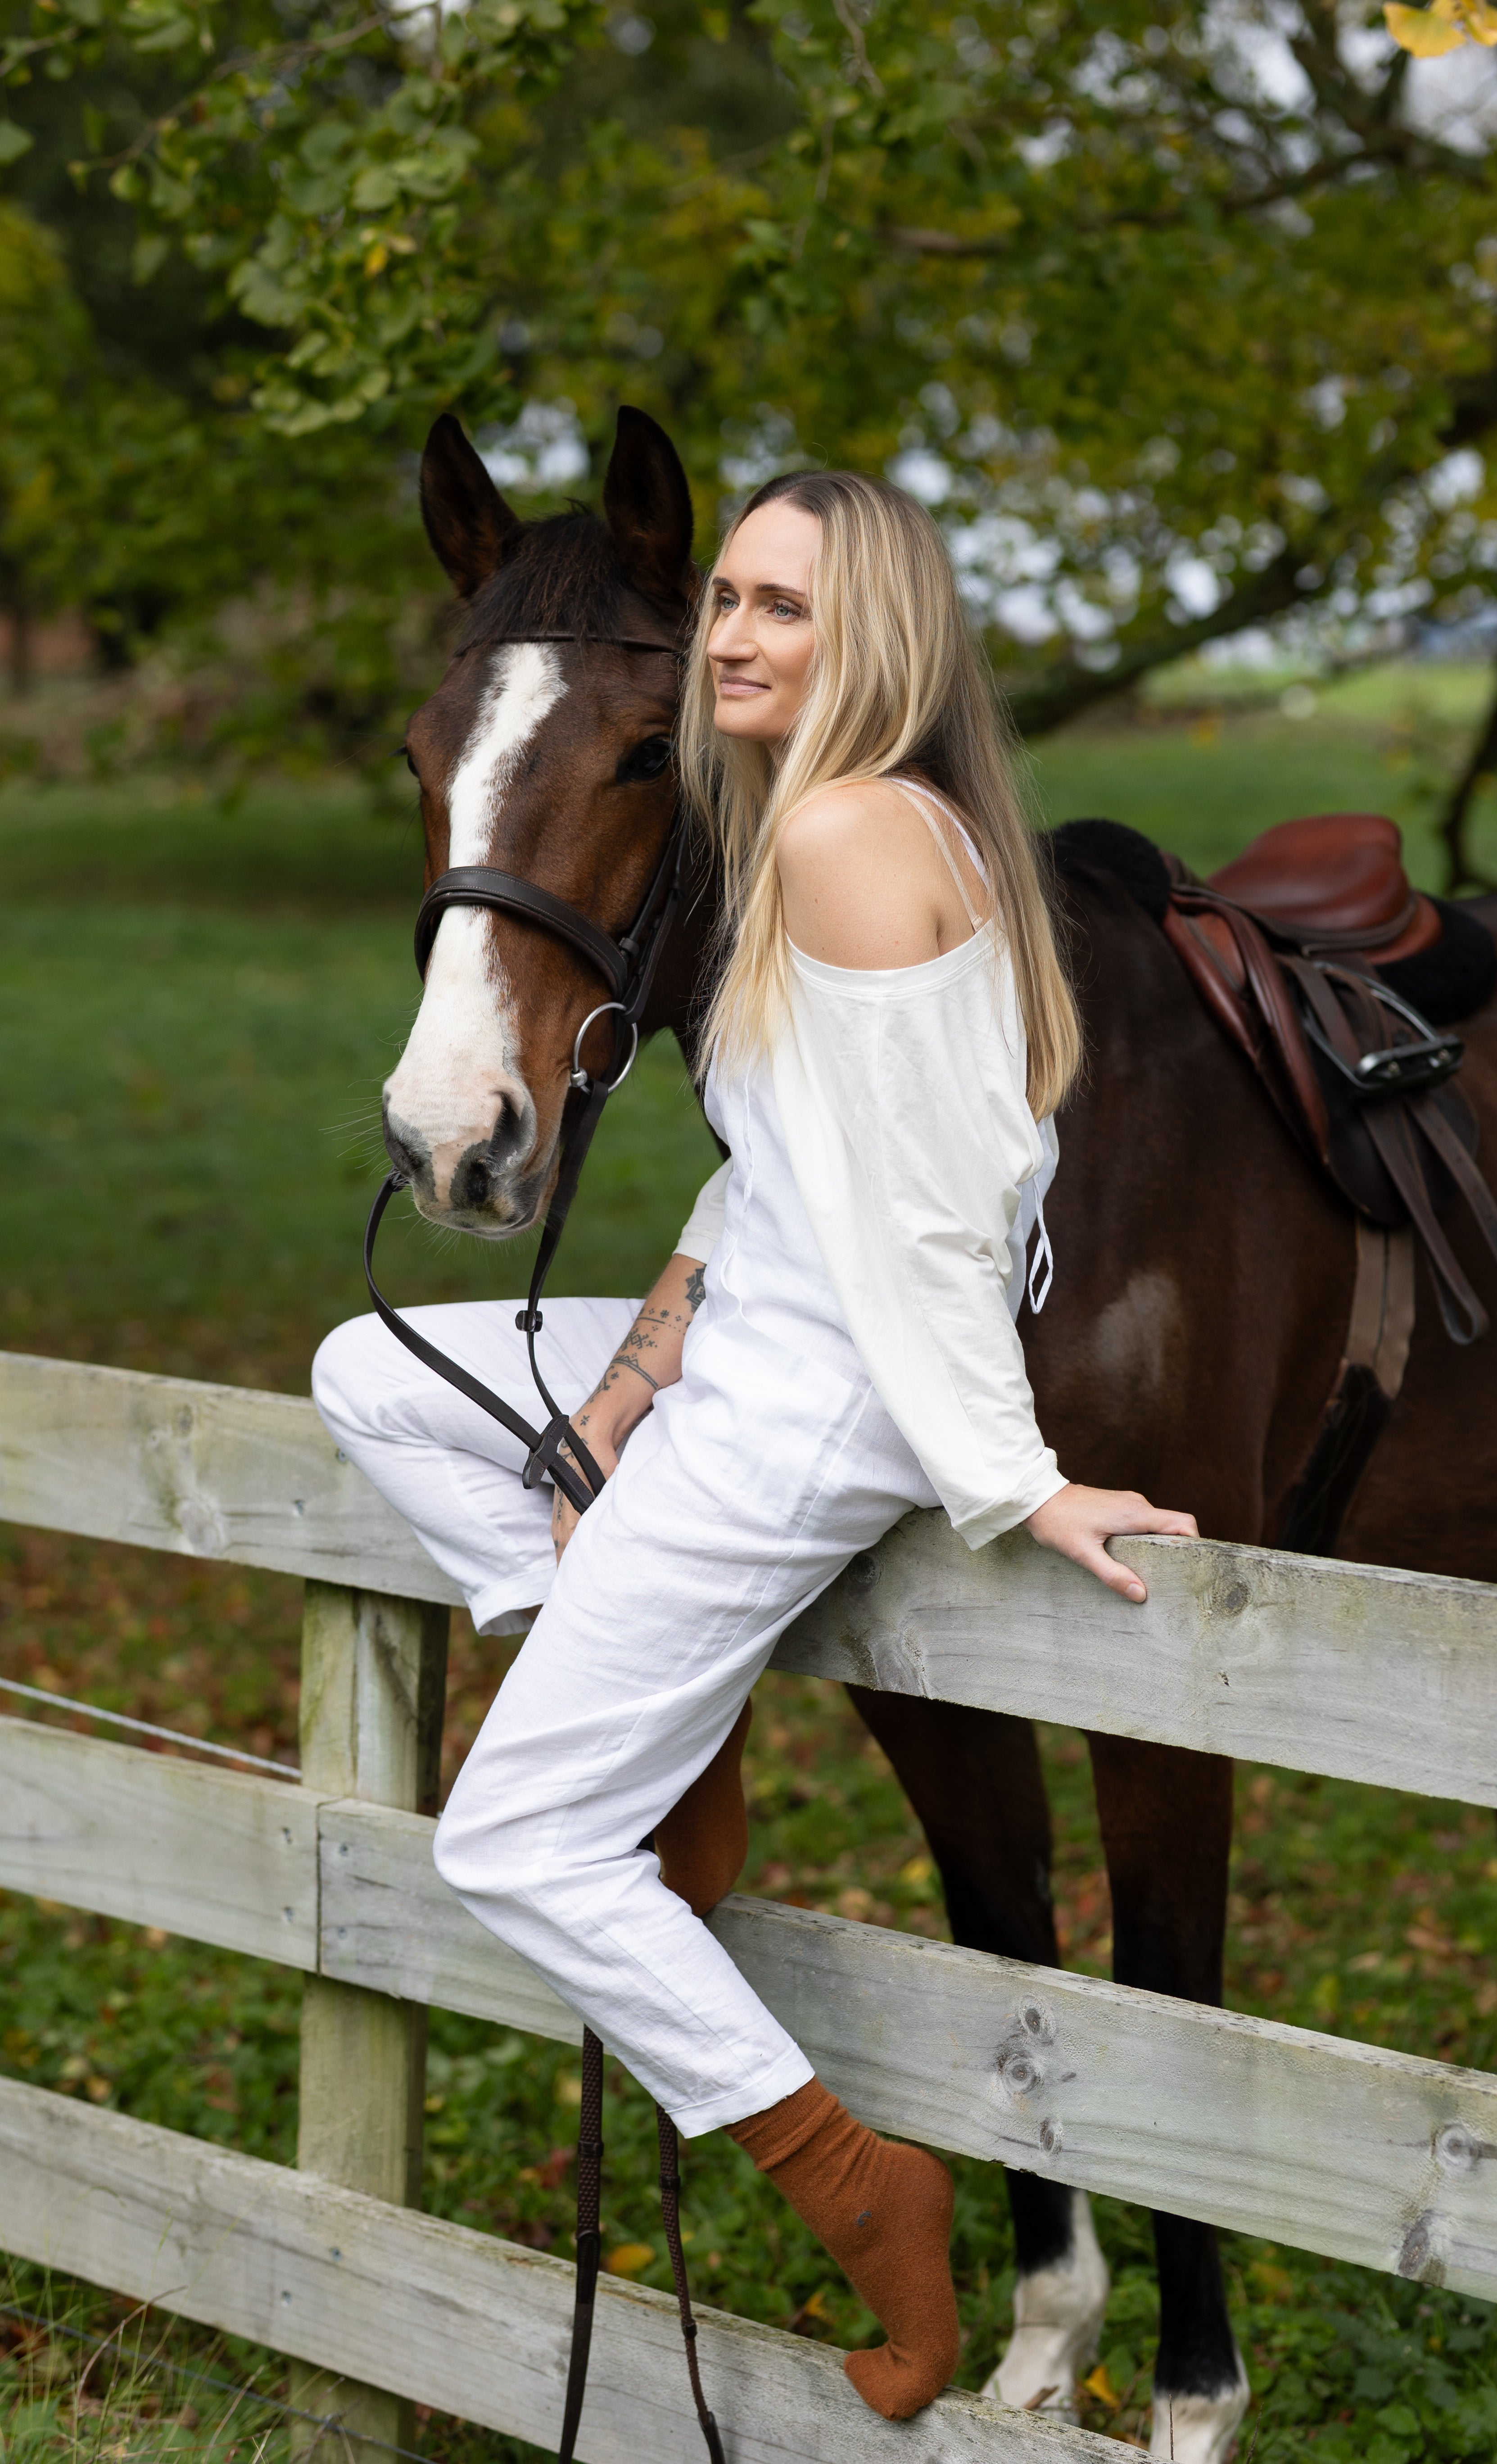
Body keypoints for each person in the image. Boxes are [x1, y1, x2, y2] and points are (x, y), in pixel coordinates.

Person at [312, 468, 1198, 2421]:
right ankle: (663, 1720)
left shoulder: (847, 837)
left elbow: (940, 1218)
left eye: (784, 607)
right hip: (757, 1346)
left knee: (513, 1842)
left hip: (820, 1400)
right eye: (723, 598)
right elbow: (783, 1172)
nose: (731, 634)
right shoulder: (825, 820)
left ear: (874, 634)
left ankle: (865, 2195)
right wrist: (624, 1384)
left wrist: (1015, 1478)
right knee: (374, 1373)